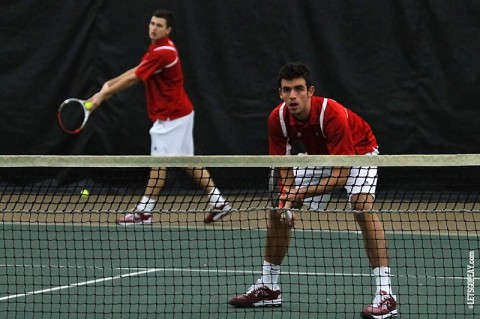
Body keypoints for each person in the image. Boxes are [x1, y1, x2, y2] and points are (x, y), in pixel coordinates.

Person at [228, 62, 397, 319]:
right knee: (276, 208)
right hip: (319, 155)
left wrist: (297, 194)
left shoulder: (332, 114)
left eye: (298, 89)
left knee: (362, 207)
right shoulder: (278, 118)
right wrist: (286, 199)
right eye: (287, 90)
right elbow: (283, 167)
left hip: (359, 152)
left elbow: (340, 176)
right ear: (280, 93)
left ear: (310, 91)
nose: (292, 95)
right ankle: (269, 287)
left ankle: (386, 296)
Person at [87, 9, 231, 225]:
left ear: (168, 30)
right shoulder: (157, 47)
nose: (153, 28)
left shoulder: (163, 51)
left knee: (158, 164)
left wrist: (102, 96)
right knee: (187, 161)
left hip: (171, 118)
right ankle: (218, 201)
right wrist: (109, 83)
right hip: (180, 112)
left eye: (159, 25)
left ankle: (144, 212)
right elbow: (139, 69)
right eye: (152, 23)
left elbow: (135, 78)